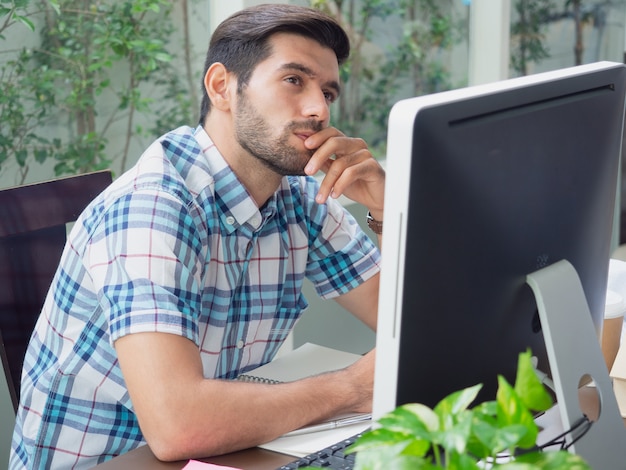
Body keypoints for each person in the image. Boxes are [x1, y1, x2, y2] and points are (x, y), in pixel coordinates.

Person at [10, 3, 385, 468]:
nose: (317, 109)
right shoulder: (152, 207)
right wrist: (353, 388)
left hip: (224, 454)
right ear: (222, 87)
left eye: (328, 93)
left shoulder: (300, 196)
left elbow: (412, 322)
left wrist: (387, 209)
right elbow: (176, 426)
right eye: (294, 80)